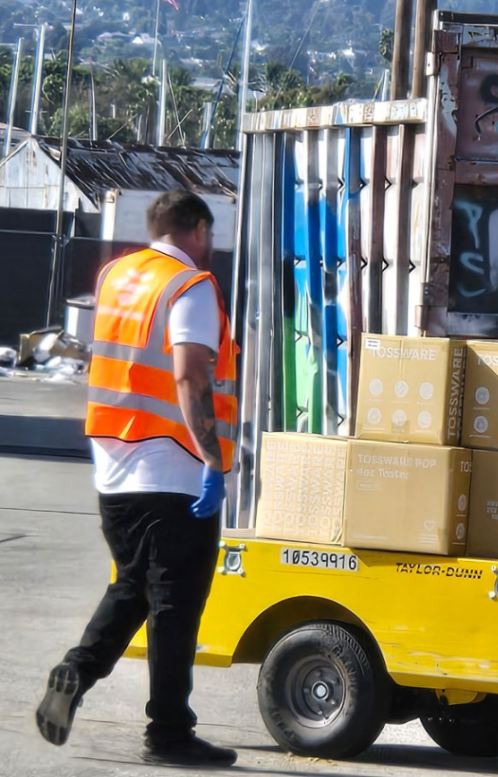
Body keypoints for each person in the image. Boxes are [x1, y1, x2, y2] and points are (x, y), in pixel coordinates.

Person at [35, 191, 239, 767]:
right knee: (177, 600)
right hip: (172, 463)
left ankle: (75, 670)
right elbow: (189, 375)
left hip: (113, 462)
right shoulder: (190, 286)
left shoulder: (117, 275)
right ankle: (169, 734)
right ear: (198, 229)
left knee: (134, 586)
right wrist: (212, 460)